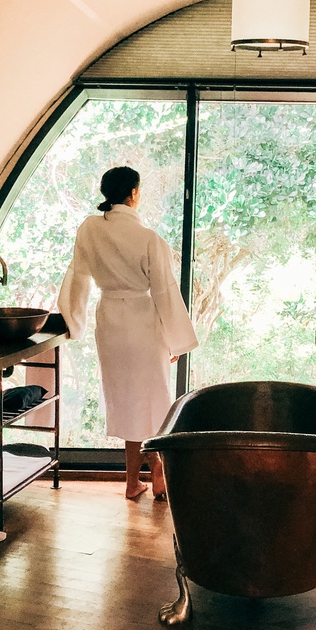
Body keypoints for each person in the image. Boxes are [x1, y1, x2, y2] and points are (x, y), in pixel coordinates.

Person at [57, 166, 198, 501]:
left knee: (126, 402)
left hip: (110, 324)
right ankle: (159, 472)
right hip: (144, 325)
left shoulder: (89, 229)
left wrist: (71, 321)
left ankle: (132, 482)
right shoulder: (149, 238)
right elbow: (164, 291)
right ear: (134, 192)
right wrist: (176, 340)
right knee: (153, 399)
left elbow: (78, 276)